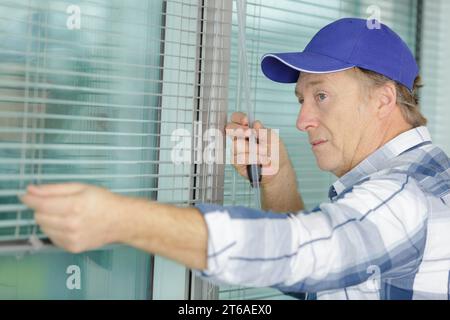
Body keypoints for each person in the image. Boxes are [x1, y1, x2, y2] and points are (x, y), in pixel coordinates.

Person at [20, 18, 450, 300]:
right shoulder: (411, 181)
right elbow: (327, 274)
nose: (303, 120)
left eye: (321, 96)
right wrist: (276, 175)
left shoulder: (408, 196)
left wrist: (122, 220)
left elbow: (300, 255)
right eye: (302, 99)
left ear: (383, 99)